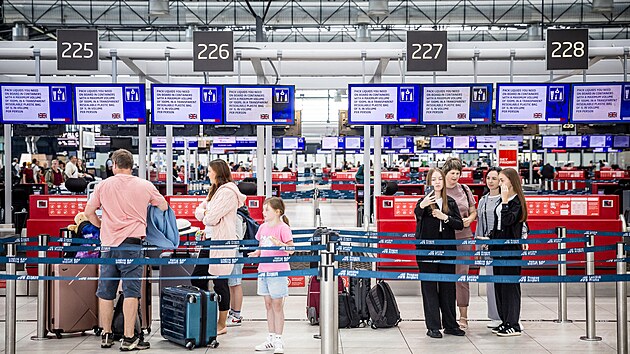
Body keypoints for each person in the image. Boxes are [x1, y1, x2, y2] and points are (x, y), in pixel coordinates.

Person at [84, 149, 168, 350]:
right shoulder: (144, 185)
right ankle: (129, 338)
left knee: (106, 291)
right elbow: (163, 206)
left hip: (108, 245)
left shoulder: (103, 185)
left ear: (114, 165)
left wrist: (102, 225)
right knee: (131, 292)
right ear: (132, 166)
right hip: (131, 245)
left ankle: (106, 334)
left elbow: (88, 212)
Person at [193, 159, 246, 336]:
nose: (207, 174)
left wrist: (206, 213)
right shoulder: (215, 191)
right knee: (197, 278)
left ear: (218, 172)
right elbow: (200, 210)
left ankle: (221, 323)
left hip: (221, 242)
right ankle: (205, 313)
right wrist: (205, 212)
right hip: (209, 240)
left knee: (220, 282)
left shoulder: (228, 192)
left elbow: (210, 218)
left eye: (209, 171)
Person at [414, 168, 465, 339]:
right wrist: (422, 206)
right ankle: (433, 326)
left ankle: (451, 324)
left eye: (439, 179)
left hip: (447, 251)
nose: (437, 182)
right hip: (426, 252)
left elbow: (459, 224)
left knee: (448, 288)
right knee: (429, 288)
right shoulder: (424, 201)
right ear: (429, 182)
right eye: (433, 179)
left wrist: (445, 217)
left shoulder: (449, 202)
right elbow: (417, 215)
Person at [249, 197, 294, 353]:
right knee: (268, 305)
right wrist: (257, 253)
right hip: (263, 270)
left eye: (266, 209)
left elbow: (291, 249)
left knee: (277, 305)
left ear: (277, 211)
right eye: (263, 209)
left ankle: (279, 340)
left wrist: (280, 244)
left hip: (278, 271)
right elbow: (261, 246)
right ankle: (270, 337)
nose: (263, 212)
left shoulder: (283, 228)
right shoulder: (262, 228)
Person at [490, 167, 528, 337]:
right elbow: (498, 224)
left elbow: (508, 221)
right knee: (500, 286)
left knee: (510, 287)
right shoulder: (502, 200)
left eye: (502, 180)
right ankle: (504, 321)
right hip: (498, 248)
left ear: (511, 182)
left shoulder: (516, 202)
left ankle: (513, 323)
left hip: (510, 250)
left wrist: (505, 201)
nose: (500, 183)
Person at [442, 157, 477, 329]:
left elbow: (472, 211)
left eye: (458, 173)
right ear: (445, 173)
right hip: (445, 239)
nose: (455, 176)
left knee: (462, 277)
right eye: (452, 173)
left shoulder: (465, 189)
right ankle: (447, 316)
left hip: (464, 236)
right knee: (445, 278)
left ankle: (464, 316)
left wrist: (469, 219)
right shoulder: (439, 190)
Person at [474, 167, 503, 329]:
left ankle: (509, 315)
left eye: (495, 178)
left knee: (505, 283)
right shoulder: (483, 200)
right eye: (489, 178)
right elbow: (479, 224)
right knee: (491, 284)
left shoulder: (505, 199)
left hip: (502, 246)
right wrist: (479, 247)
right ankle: (494, 316)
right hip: (487, 247)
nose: (491, 181)